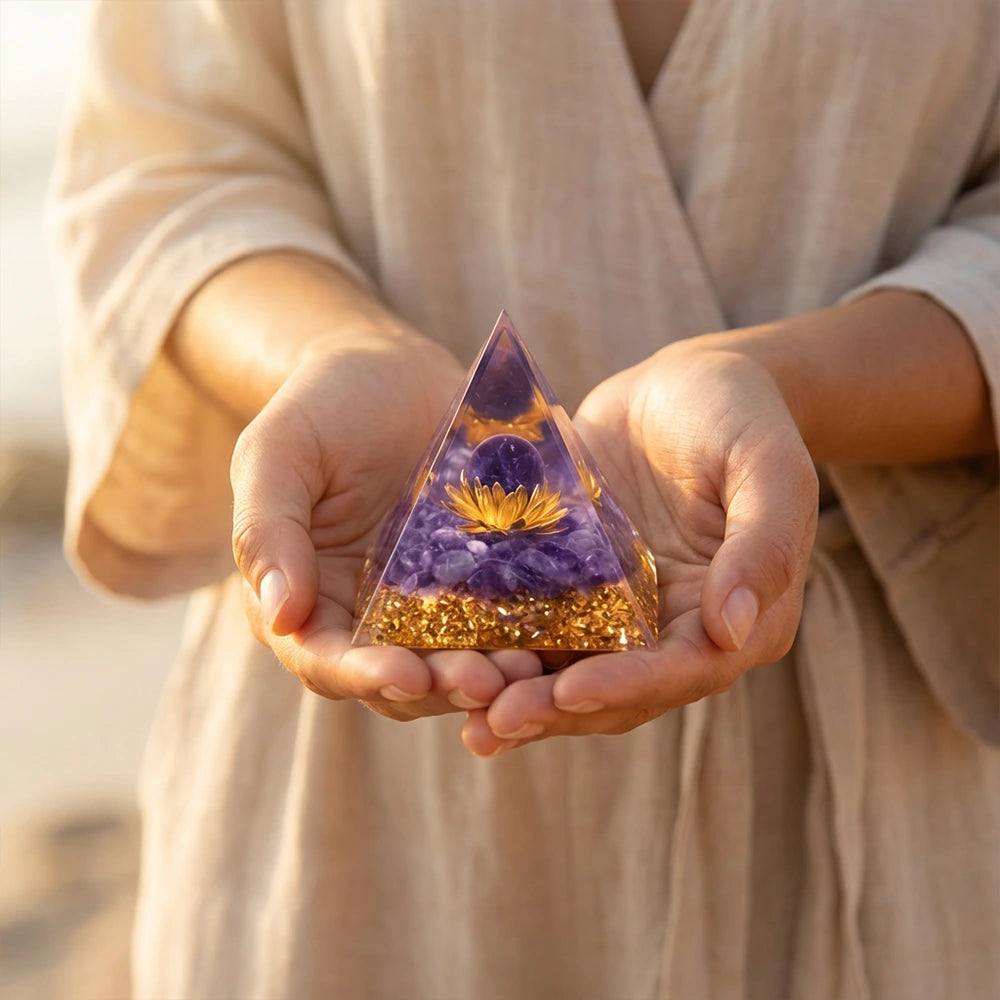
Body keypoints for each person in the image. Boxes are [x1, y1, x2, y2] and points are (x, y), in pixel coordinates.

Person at [50, 1, 999, 997]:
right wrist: (336, 352)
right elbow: (164, 166)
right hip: (355, 798)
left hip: (889, 760)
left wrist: (791, 383)